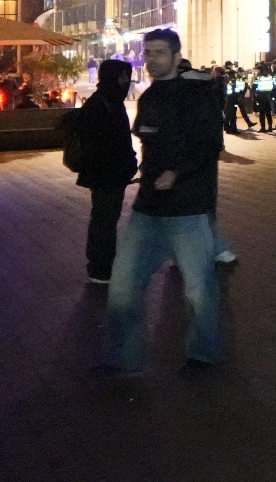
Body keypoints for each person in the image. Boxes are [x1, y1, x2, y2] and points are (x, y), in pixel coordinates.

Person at [101, 29, 226, 373]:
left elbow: (210, 145)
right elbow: (145, 138)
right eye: (148, 52)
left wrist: (177, 172)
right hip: (148, 208)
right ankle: (125, 358)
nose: (151, 59)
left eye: (158, 53)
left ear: (175, 56)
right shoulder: (149, 97)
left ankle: (203, 352)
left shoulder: (198, 97)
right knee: (123, 289)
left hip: (187, 209)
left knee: (199, 291)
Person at [72, 59, 140, 284]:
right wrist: (126, 162)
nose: (126, 81)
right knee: (105, 218)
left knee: (105, 217)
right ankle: (100, 267)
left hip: (106, 171)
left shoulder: (103, 100)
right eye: (123, 76)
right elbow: (112, 140)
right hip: (107, 172)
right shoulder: (106, 103)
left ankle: (102, 264)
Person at [252, 63, 276, 132]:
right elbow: (273, 86)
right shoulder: (269, 76)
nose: (256, 71)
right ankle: (270, 127)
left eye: (257, 70)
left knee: (262, 113)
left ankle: (263, 128)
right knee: (268, 112)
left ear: (259, 70)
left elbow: (254, 87)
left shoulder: (258, 77)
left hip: (261, 96)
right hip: (268, 96)